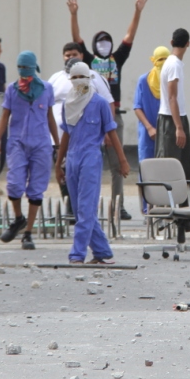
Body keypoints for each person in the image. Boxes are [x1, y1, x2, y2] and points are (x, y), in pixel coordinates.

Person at [68, 0, 148, 220]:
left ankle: (118, 205)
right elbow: (76, 38)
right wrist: (74, 14)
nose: (104, 45)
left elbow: (130, 35)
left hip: (115, 117)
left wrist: (137, 11)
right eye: (100, 42)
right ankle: (85, 205)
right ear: (94, 46)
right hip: (89, 117)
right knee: (90, 164)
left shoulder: (117, 59)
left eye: (107, 42)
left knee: (116, 165)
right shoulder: (89, 61)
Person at [54, 62, 129, 264]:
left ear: (89, 78)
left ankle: (77, 254)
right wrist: (58, 164)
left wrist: (122, 161)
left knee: (86, 209)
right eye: (74, 78)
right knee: (80, 209)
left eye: (81, 77)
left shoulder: (100, 104)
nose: (78, 81)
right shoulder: (68, 105)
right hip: (72, 159)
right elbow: (66, 136)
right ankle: (103, 252)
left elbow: (112, 133)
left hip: (91, 158)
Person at [0, 51, 58, 250]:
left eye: (26, 68)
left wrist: (58, 143)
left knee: (36, 188)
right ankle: (18, 218)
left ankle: (28, 232)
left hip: (41, 143)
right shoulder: (12, 90)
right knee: (14, 183)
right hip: (17, 142)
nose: (23, 72)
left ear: (33, 67)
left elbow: (50, 116)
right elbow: (5, 116)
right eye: (20, 68)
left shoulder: (46, 88)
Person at [156, 28, 190, 203]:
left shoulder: (175, 63)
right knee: (171, 167)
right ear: (188, 43)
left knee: (185, 167)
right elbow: (172, 97)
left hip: (178, 117)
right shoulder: (173, 64)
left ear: (171, 42)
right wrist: (179, 127)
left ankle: (185, 210)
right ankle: (170, 208)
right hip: (171, 119)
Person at [133, 47, 169, 164]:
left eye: (166, 60)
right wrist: (149, 128)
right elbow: (137, 107)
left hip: (166, 131)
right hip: (148, 131)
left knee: (165, 166)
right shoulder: (143, 80)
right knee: (146, 166)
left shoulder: (171, 81)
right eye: (160, 59)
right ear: (154, 60)